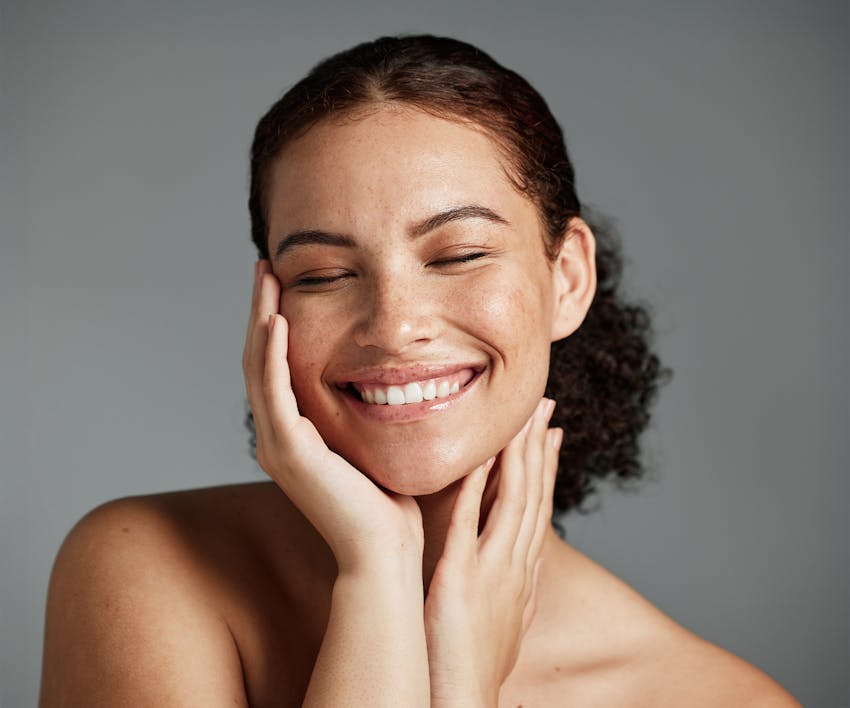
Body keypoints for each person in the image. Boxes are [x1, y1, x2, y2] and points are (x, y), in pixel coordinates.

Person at [39, 35, 799, 707]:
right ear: (270, 304)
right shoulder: (145, 569)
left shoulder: (721, 700)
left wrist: (460, 688)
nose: (394, 327)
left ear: (567, 278)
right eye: (323, 274)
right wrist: (377, 574)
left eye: (458, 255)